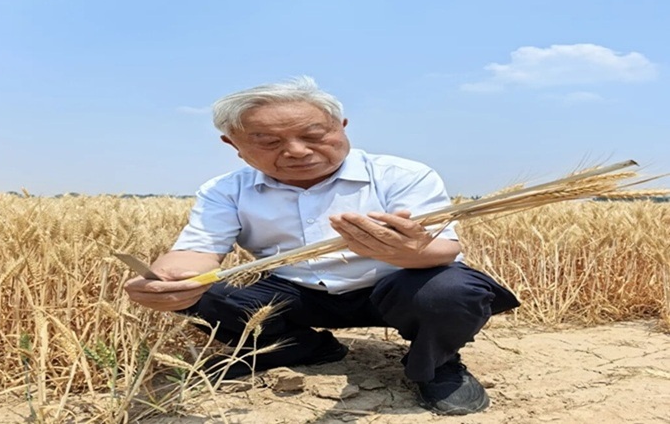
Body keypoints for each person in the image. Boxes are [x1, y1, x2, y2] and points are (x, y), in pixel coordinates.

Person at [124, 76, 519, 416]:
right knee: (206, 295)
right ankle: (298, 347)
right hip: (296, 294)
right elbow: (197, 251)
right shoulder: (225, 190)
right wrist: (170, 280)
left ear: (342, 126)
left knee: (450, 290)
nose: (297, 150)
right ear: (234, 145)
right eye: (268, 141)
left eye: (314, 135)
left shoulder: (402, 175)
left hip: (395, 288)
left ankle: (437, 366)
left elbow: (443, 251)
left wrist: (406, 250)